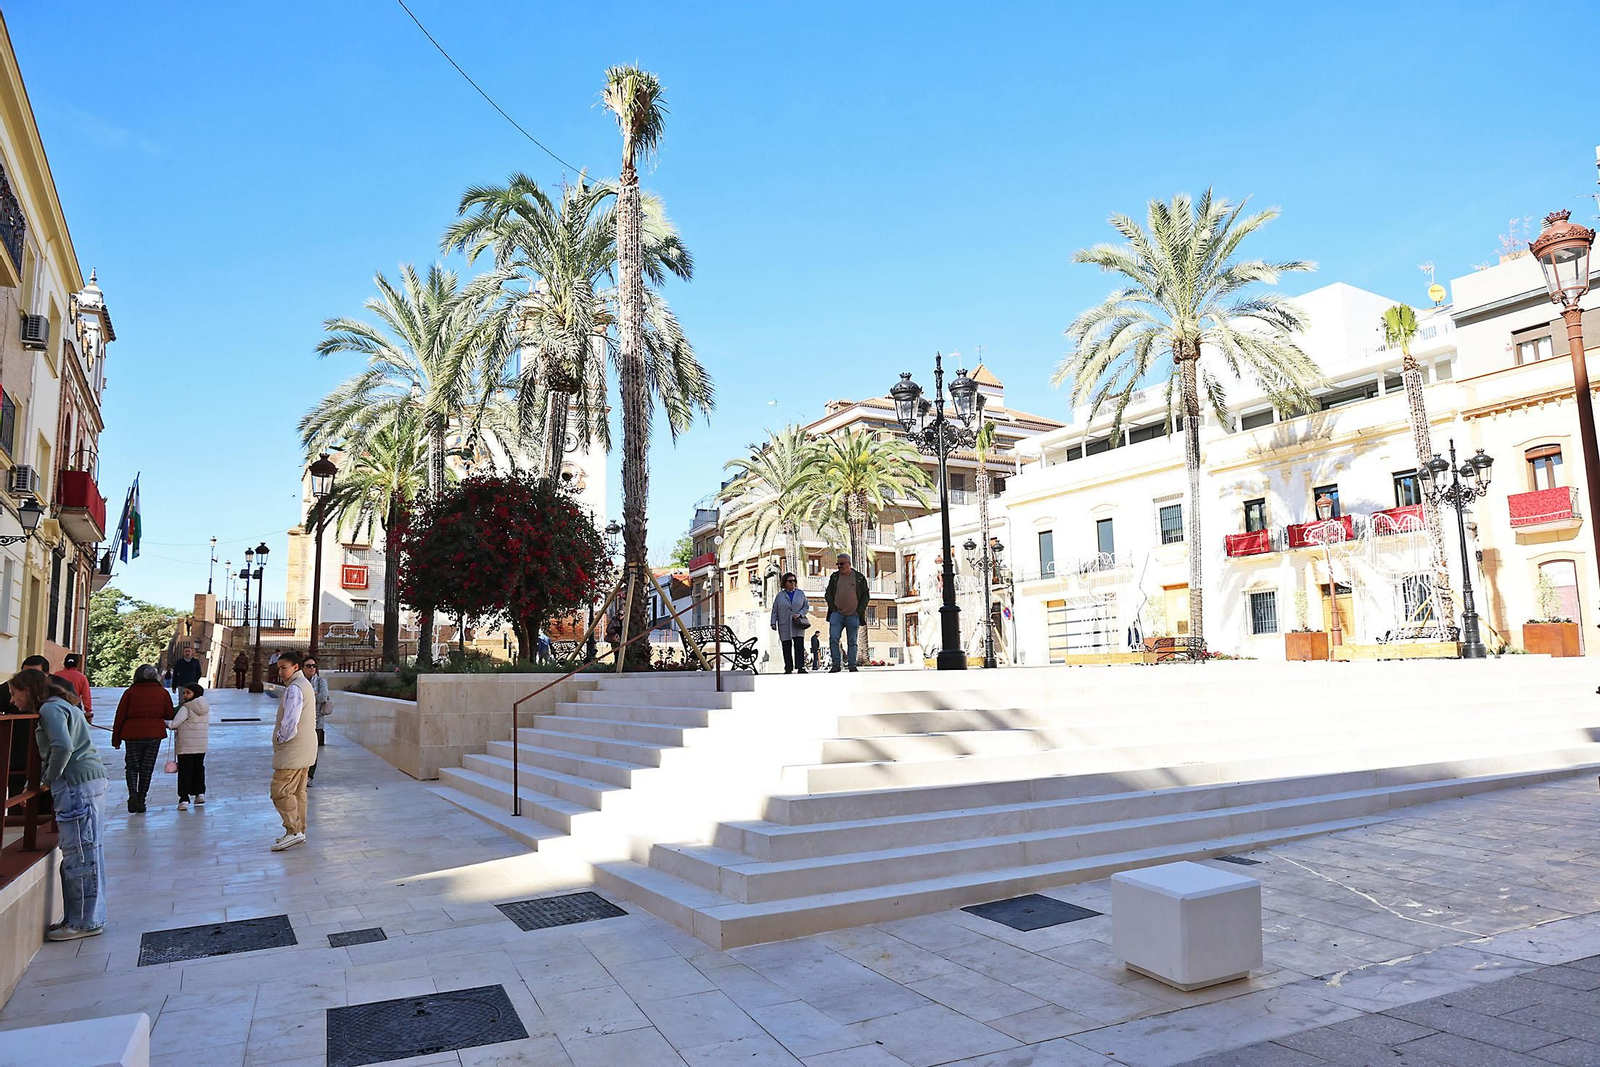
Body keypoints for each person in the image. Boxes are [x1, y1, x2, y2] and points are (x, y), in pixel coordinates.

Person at [12, 667, 108, 940]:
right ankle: (87, 918)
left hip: (75, 783)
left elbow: (62, 746)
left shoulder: (50, 710)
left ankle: (82, 923)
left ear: (27, 690)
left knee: (79, 852)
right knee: (89, 850)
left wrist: (47, 779)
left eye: (14, 693)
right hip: (89, 781)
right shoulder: (63, 705)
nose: (12, 700)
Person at [268, 650, 316, 851]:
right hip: (305, 747)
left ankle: (294, 830)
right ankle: (298, 831)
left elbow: (290, 722)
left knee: (280, 790)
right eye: (279, 667)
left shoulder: (295, 688)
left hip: (293, 748)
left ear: (295, 667)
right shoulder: (304, 685)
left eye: (283, 667)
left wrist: (280, 738)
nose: (280, 671)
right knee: (297, 792)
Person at [111, 664, 173, 813]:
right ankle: (141, 800)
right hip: (154, 734)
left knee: (132, 766)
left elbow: (120, 716)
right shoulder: (162, 693)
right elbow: (169, 714)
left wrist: (116, 739)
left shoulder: (130, 693)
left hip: (132, 735)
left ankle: (132, 792)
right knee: (147, 768)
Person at [824, 552, 870, 673]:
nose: (839, 566)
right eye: (838, 564)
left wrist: (859, 611)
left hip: (853, 615)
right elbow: (828, 593)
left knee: (852, 641)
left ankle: (852, 665)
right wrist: (833, 608)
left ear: (849, 564)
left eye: (842, 563)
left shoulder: (859, 577)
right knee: (834, 639)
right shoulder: (834, 577)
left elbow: (866, 595)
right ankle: (836, 665)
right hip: (837, 614)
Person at [167, 683, 209, 810]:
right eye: (184, 693)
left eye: (187, 693)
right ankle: (199, 793)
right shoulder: (205, 707)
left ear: (194, 693)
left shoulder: (186, 708)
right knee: (198, 768)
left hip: (186, 745)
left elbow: (174, 724)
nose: (184, 695)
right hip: (201, 745)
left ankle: (184, 799)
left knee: (185, 771)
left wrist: (164, 722)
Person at [769, 572, 811, 674]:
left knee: (799, 646)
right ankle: (788, 668)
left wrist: (800, 614)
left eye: (794, 581)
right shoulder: (780, 596)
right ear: (785, 583)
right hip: (784, 624)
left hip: (797, 623)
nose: (793, 583)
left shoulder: (800, 593)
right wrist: (773, 622)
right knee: (786, 646)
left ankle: (800, 667)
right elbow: (775, 610)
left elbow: (806, 606)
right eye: (790, 581)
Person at [303, 655, 330, 786]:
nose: (312, 668)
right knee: (302, 749)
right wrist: (312, 694)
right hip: (302, 722)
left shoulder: (321, 682)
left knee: (313, 750)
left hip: (316, 721)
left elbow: (323, 697)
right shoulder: (299, 682)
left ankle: (309, 776)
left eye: (314, 666)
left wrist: (307, 696)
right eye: (308, 666)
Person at [58, 653, 93, 723]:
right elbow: (86, 695)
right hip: (75, 706)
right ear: (77, 664)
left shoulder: (56, 675)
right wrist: (88, 711)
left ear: (64, 663)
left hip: (58, 705)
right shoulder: (81, 677)